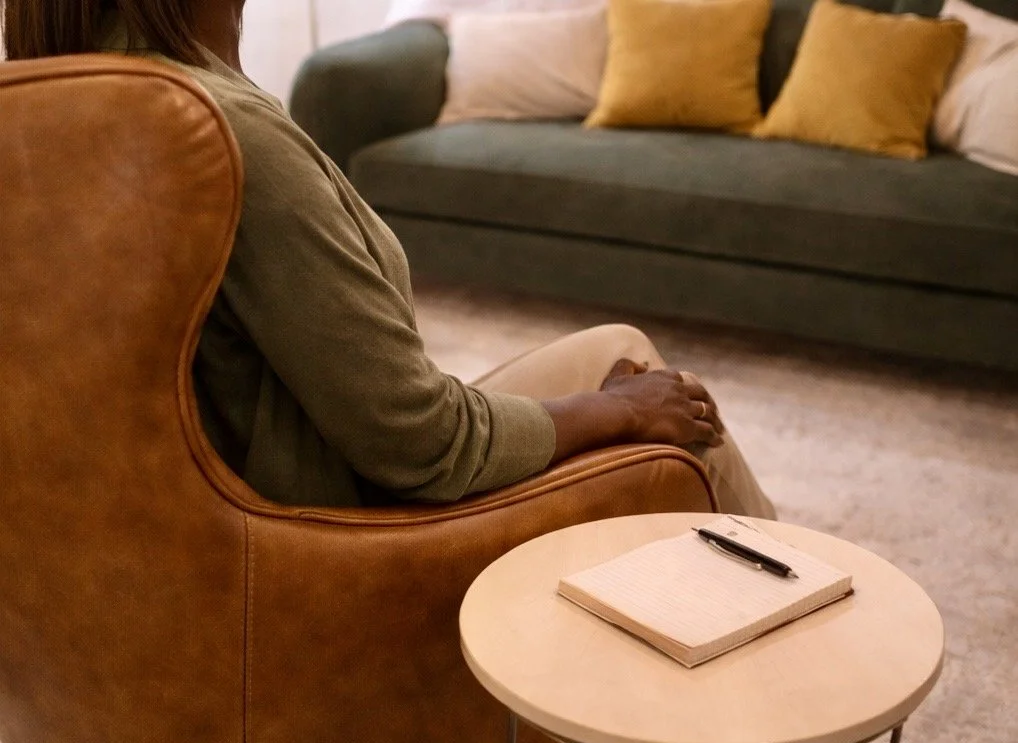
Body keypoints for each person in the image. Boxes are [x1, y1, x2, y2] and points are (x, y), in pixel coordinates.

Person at [3, 0, 775, 518]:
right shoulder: (222, 135)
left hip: (193, 533)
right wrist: (617, 412)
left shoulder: (58, 99)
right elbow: (423, 446)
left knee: (617, 354)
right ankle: (800, 646)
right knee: (658, 397)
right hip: (337, 539)